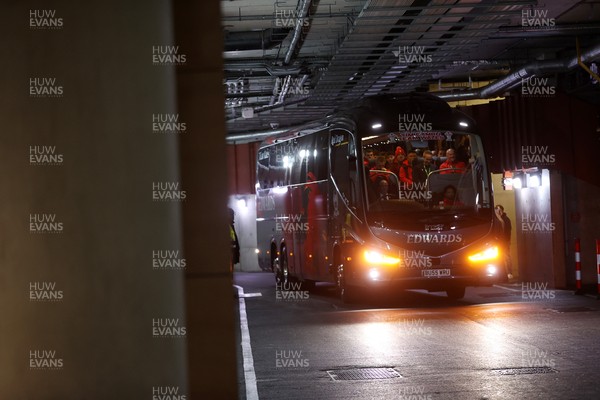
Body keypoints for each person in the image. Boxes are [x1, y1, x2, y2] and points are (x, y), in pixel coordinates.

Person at [493, 205, 513, 280]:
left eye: (499, 210)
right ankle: (502, 273)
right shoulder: (496, 219)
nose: (498, 212)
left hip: (504, 241)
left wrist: (508, 240)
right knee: (500, 257)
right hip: (499, 242)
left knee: (506, 256)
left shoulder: (505, 219)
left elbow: (508, 231)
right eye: (496, 210)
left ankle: (509, 272)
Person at [228, 207, 240, 273]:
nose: (233, 216)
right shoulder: (227, 225)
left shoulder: (231, 225)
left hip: (232, 250)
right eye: (231, 214)